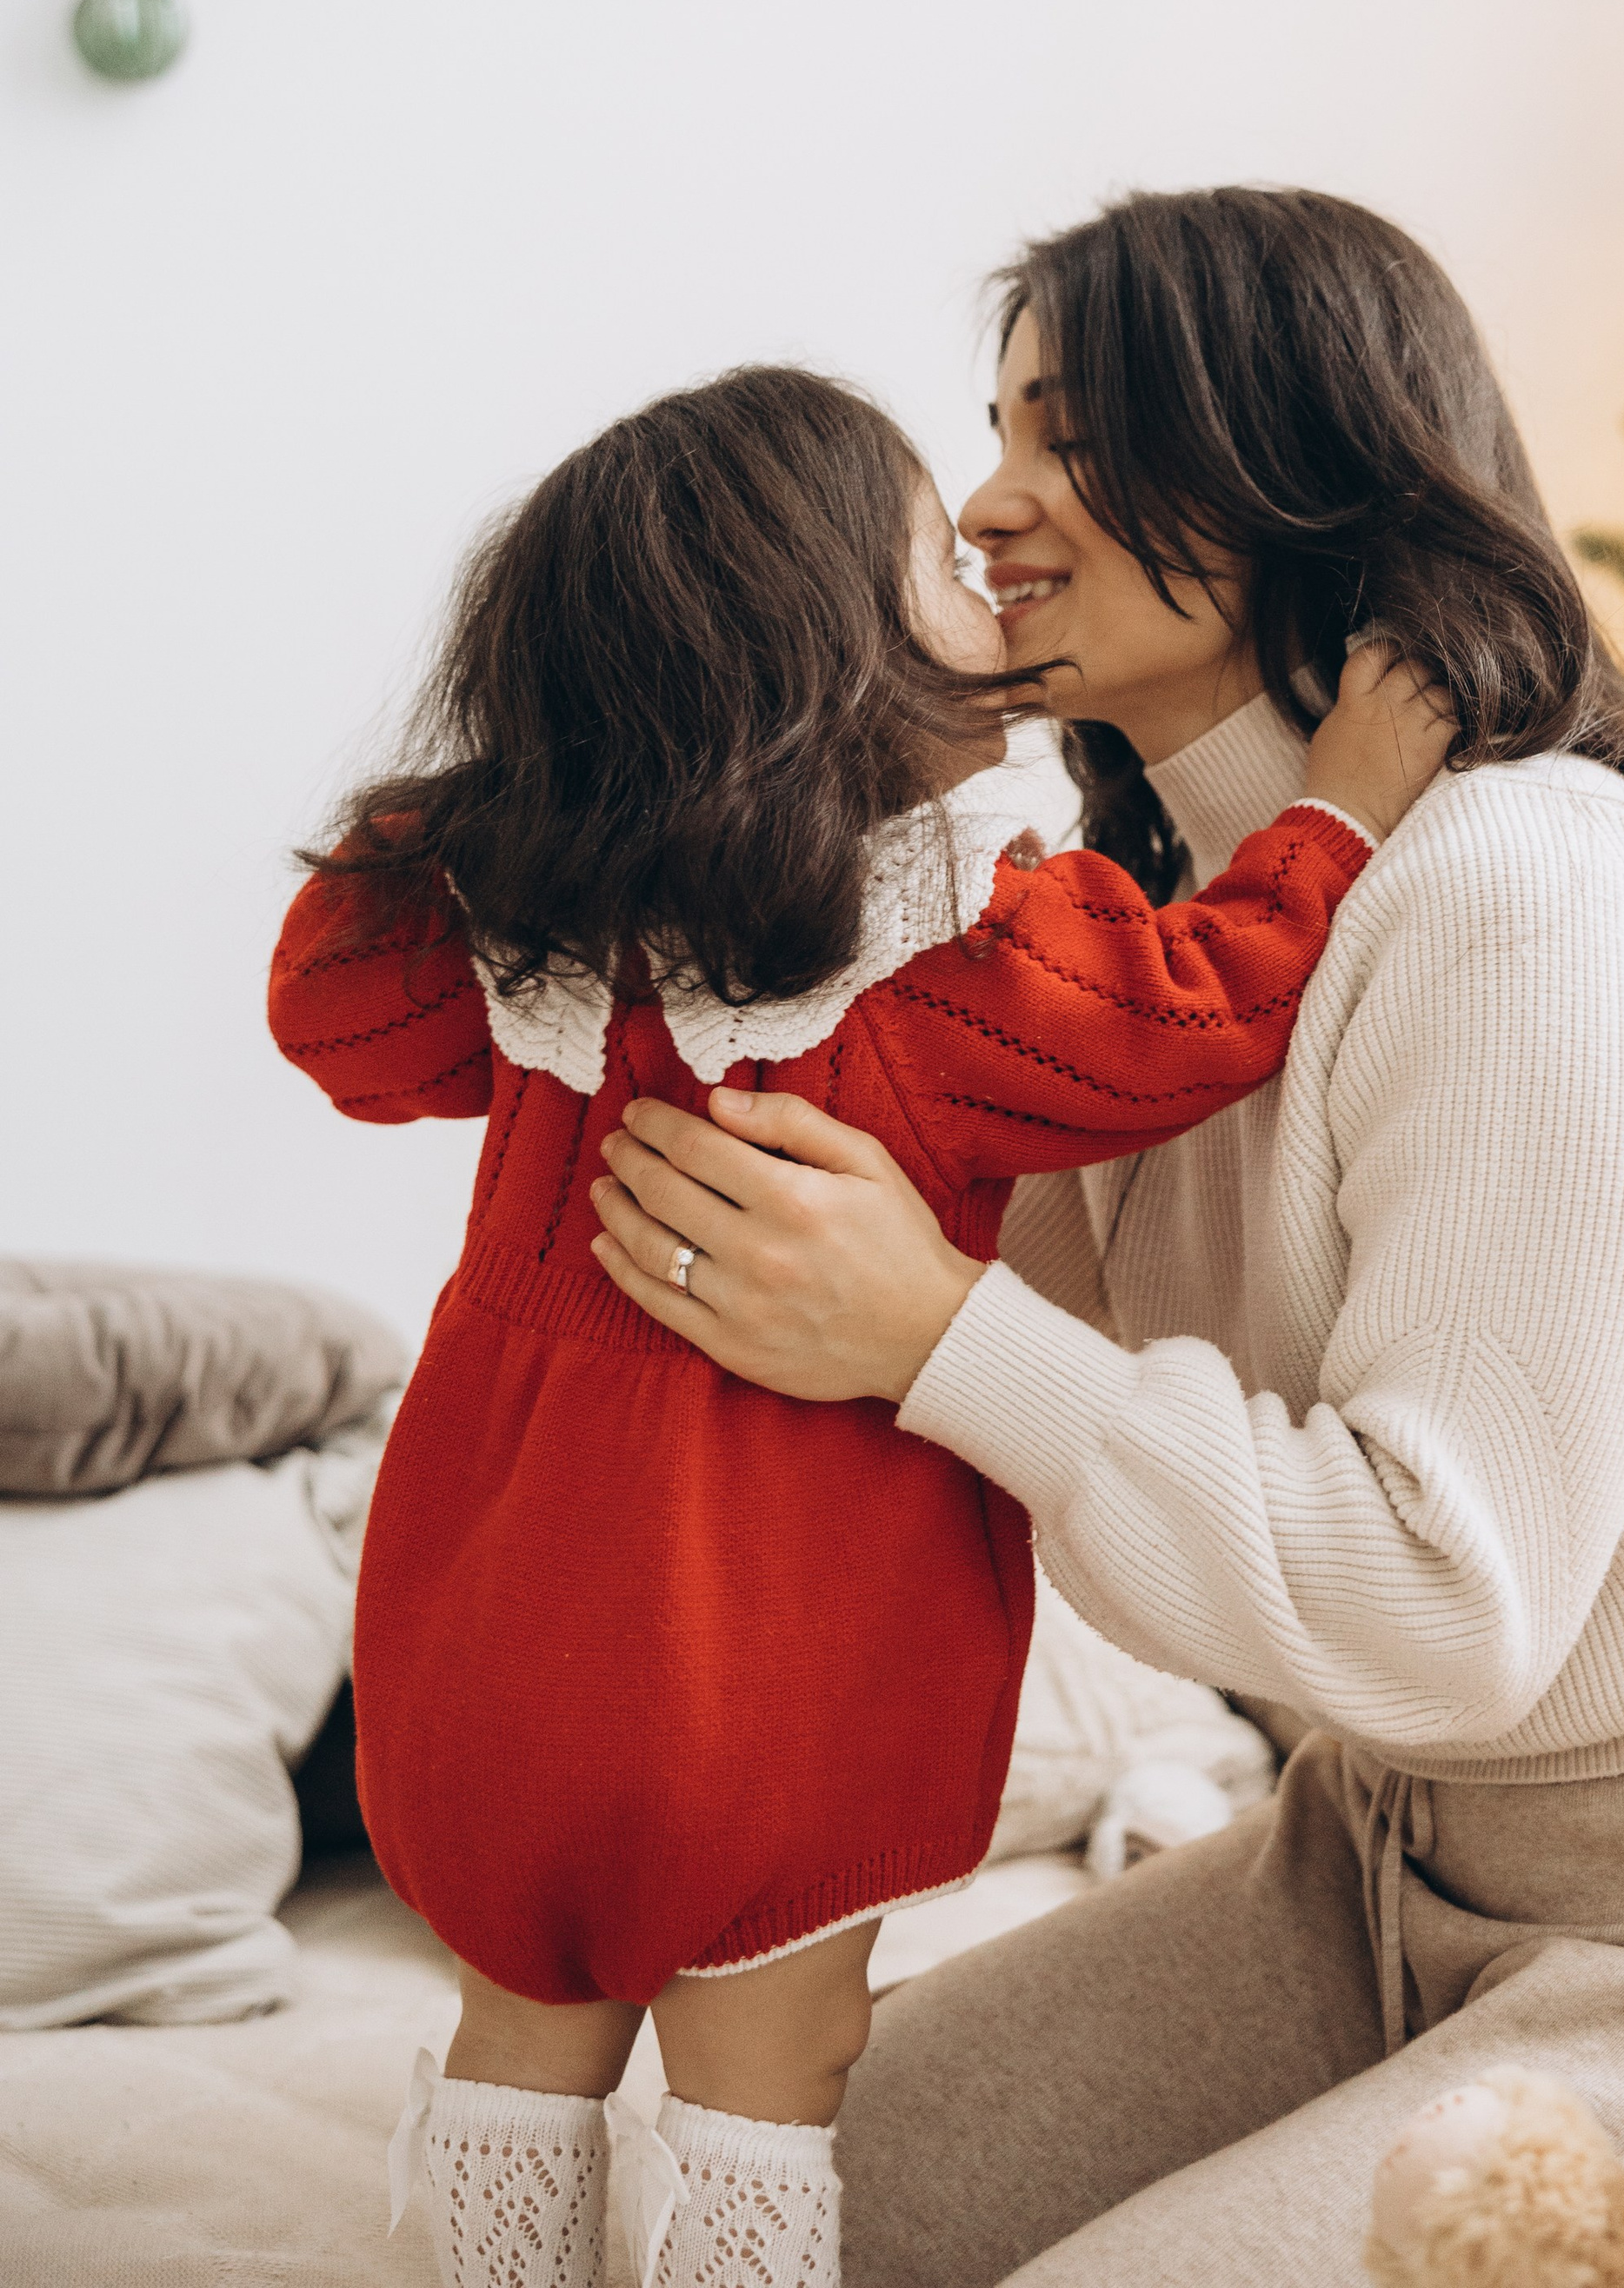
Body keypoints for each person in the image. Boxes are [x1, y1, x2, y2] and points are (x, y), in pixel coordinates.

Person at [589, 188, 1624, 2288]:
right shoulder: (1149, 940)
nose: (992, 509)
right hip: (1375, 1853)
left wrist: (931, 1336)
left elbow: (1438, 1605)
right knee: (725, 2218)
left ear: (1286, 462)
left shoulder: (1518, 888)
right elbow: (1086, 1482)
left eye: (1074, 440)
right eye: (998, 436)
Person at [267, 362, 1449, 2288]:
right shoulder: (940, 951)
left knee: (521, 2042)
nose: (984, 563)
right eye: (935, 556)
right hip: (765, 1660)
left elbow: (327, 1016)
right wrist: (1339, 812)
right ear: (823, 650)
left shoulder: (520, 946)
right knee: (772, 2073)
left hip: (482, 1644)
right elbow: (1202, 1010)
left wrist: (524, 785)